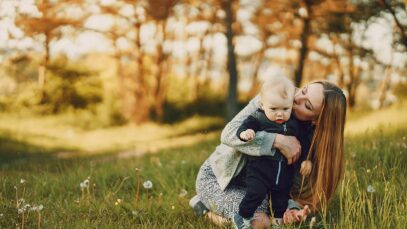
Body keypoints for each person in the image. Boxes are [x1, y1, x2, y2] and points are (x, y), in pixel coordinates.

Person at [190, 79, 347, 228]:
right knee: (255, 219)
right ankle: (206, 212)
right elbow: (228, 134)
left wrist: (291, 209)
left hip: (258, 189)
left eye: (307, 105)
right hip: (220, 179)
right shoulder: (276, 94)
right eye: (303, 90)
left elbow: (296, 185)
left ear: (316, 121)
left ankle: (212, 211)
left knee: (269, 215)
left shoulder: (310, 140)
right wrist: (277, 140)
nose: (297, 98)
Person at [233, 76, 312, 228]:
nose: (280, 114)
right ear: (263, 105)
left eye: (285, 109)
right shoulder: (259, 118)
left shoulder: (295, 124)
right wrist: (246, 132)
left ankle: (278, 223)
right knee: (256, 193)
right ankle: (242, 216)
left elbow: (304, 143)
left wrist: (306, 159)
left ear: (291, 106)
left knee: (280, 201)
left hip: (283, 174)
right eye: (274, 109)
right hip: (259, 170)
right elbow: (243, 128)